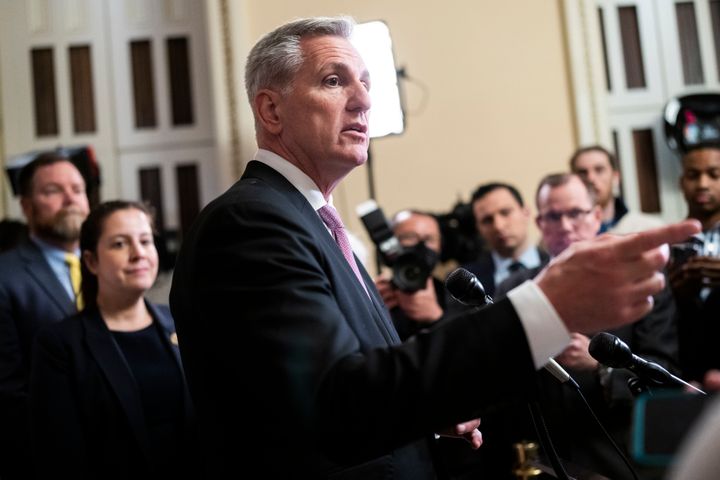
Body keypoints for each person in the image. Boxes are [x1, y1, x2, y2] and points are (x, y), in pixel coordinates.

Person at [168, 15, 698, 479]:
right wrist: (547, 306)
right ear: (271, 110)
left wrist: (428, 418)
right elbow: (338, 405)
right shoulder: (251, 222)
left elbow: (363, 390)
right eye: (334, 81)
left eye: (366, 83)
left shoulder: (313, 223)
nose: (363, 100)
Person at [497, 173, 678, 480]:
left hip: (619, 455)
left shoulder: (644, 283)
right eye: (554, 216)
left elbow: (665, 375)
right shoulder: (514, 288)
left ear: (596, 217)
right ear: (540, 224)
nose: (565, 226)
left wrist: (599, 367)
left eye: (575, 213)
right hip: (541, 458)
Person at [29, 200, 198, 478]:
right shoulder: (59, 345)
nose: (138, 253)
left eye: (145, 241)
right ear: (91, 261)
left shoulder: (181, 321)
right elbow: (59, 454)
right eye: (120, 244)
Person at [0, 152, 90, 478]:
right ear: (26, 206)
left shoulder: (112, 263)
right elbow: (9, 393)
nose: (71, 199)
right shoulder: (5, 277)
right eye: (53, 191)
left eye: (78, 189)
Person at [668, 145, 720, 391]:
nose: (702, 183)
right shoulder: (666, 244)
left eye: (714, 174)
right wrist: (672, 290)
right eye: (693, 175)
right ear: (681, 182)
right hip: (684, 379)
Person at [374, 210, 457, 340]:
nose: (422, 245)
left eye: (430, 239)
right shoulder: (378, 293)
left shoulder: (456, 295)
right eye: (410, 237)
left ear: (441, 246)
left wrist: (436, 317)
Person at [461, 182, 548, 298]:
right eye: (487, 220)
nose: (498, 226)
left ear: (526, 213)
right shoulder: (465, 282)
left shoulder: (556, 264)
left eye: (505, 212)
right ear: (478, 228)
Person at [570, 145, 664, 234]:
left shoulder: (648, 229)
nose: (591, 178)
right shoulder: (564, 233)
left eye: (599, 170)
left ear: (615, 177)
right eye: (582, 173)